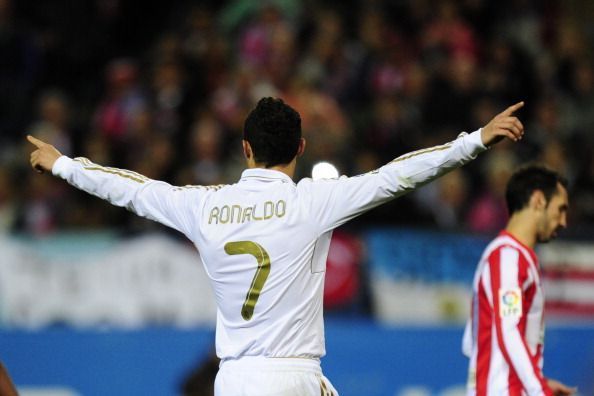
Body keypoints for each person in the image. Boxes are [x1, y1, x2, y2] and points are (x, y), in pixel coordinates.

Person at [28, 97, 525, 395]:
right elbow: (396, 177)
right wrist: (474, 140)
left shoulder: (204, 206)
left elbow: (131, 188)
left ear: (244, 149)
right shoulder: (314, 201)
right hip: (292, 378)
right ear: (302, 150)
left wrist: (63, 164)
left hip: (233, 381)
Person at [462, 164, 576, 396]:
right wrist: (538, 389)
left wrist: (533, 382)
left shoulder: (512, 258)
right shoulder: (508, 258)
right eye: (560, 209)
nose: (564, 221)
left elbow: (470, 341)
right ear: (538, 200)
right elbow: (508, 329)